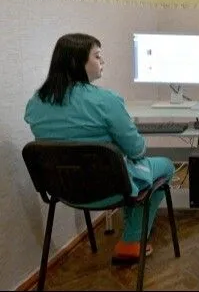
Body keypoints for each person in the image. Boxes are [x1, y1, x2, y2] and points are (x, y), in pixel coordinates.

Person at [24, 33, 175, 265]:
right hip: (111, 189)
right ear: (77, 63)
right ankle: (132, 240)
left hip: (64, 190)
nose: (102, 61)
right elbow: (137, 150)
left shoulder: (36, 103)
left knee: (129, 170)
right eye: (97, 56)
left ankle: (133, 231)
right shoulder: (106, 100)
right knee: (165, 166)